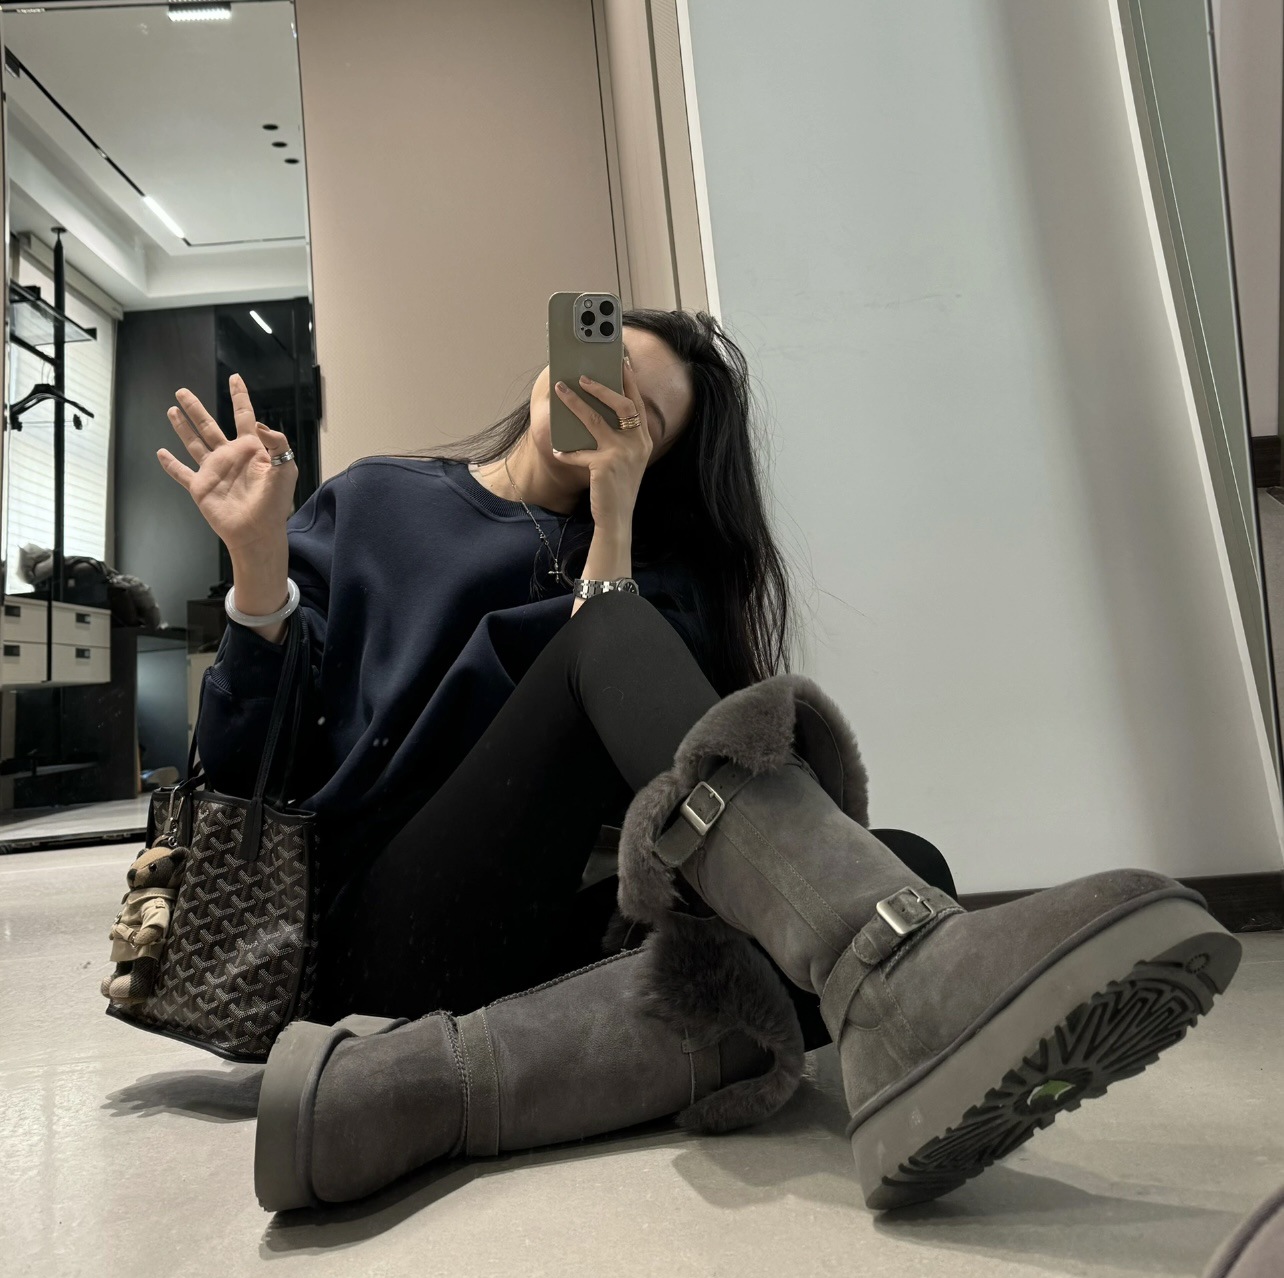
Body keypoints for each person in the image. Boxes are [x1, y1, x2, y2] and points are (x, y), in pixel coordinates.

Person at [157, 309, 1239, 1216]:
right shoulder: (381, 500)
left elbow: (683, 813)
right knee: (625, 652)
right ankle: (899, 985)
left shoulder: (652, 580)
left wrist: (611, 524)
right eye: (603, 363)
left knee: (911, 863)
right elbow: (249, 777)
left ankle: (400, 1094)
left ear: (655, 458)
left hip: (556, 948)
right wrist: (257, 570)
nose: (604, 398)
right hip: (380, 935)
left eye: (641, 411)